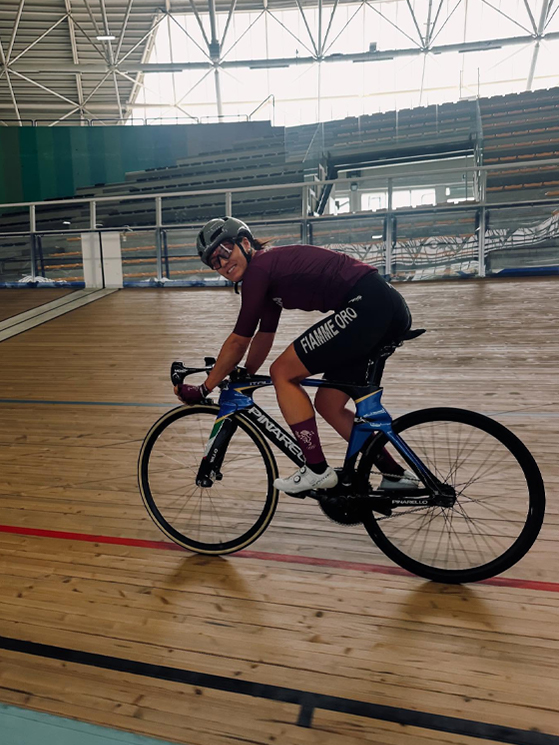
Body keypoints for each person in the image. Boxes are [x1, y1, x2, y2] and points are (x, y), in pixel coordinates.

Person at [175, 216, 416, 495]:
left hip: (367, 306)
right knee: (328, 404)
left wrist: (204, 388)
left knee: (282, 372)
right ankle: (394, 475)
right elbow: (265, 334)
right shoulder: (265, 274)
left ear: (245, 243)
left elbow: (239, 340)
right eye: (214, 262)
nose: (222, 263)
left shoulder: (259, 270)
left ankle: (316, 469)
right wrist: (246, 373)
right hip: (379, 307)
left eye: (224, 251)